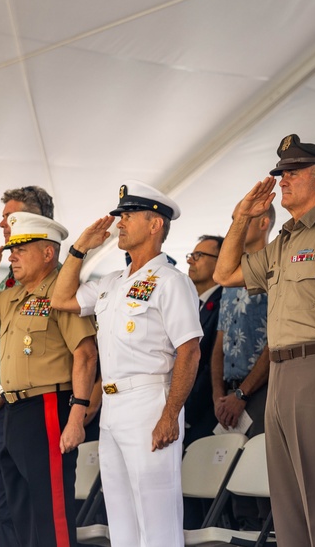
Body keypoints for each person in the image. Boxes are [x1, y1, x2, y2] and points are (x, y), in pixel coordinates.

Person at [214, 134, 315, 547]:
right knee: (286, 503)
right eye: (281, 173)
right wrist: (240, 217)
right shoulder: (283, 240)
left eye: (292, 173)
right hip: (281, 376)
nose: (282, 180)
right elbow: (225, 274)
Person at [52, 181, 202, 547]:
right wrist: (79, 249)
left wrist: (170, 414)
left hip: (151, 399)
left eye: (129, 216)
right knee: (119, 515)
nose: (119, 223)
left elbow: (190, 351)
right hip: (112, 404)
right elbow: (60, 298)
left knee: (156, 514)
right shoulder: (111, 282)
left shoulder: (172, 282)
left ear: (155, 225)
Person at [0, 212, 98, 547]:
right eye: (11, 250)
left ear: (48, 254)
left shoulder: (63, 293)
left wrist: (77, 415)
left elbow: (86, 354)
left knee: (51, 508)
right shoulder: (12, 296)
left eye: (21, 249)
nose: (12, 257)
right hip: (12, 410)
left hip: (48, 405)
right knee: (20, 507)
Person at [0, 185, 57, 547]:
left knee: (35, 511)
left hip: (26, 403)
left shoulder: (55, 280)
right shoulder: (9, 280)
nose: (2, 223)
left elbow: (57, 357)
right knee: (3, 507)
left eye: (11, 216)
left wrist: (2, 389)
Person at [212, 204, 274, 438]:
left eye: (244, 219)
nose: (235, 226)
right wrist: (218, 396)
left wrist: (243, 394)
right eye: (233, 219)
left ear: (263, 223)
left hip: (261, 391)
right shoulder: (228, 279)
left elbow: (276, 340)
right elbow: (220, 342)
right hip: (227, 395)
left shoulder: (274, 270)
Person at [183, 235, 223, 447]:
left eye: (199, 256)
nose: (190, 261)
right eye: (191, 255)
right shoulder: (189, 305)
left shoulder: (224, 302)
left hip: (203, 414)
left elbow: (207, 362)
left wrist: (186, 410)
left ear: (220, 260)